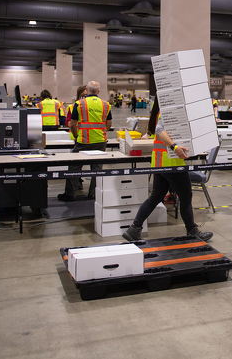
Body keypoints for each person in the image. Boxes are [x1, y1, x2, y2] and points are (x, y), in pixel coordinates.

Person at [122, 101, 212, 242]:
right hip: (171, 163)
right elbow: (159, 130)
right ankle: (192, 231)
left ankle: (134, 228)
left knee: (156, 197)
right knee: (186, 196)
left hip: (159, 162)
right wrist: (174, 146)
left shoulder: (159, 110)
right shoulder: (169, 109)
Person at [58, 81, 112, 202]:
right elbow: (108, 124)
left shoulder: (79, 104)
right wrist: (100, 132)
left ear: (87, 90)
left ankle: (70, 194)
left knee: (74, 167)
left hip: (83, 140)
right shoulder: (106, 105)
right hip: (100, 140)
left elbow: (72, 124)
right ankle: (94, 193)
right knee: (97, 169)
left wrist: (76, 135)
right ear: (98, 91)